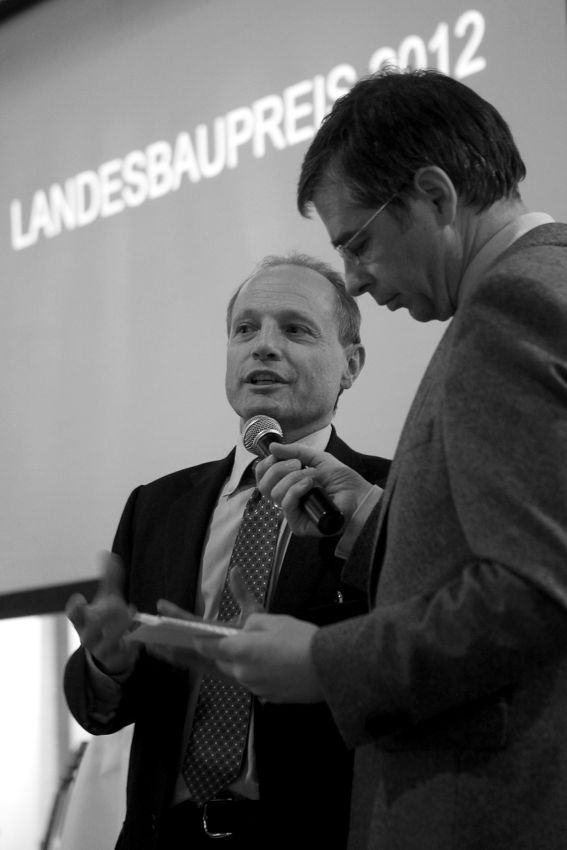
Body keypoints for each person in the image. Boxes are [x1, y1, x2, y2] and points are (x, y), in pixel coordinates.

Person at [194, 69, 567, 850]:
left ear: (433, 195)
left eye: (357, 242)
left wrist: (323, 662)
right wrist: (371, 523)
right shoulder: (543, 280)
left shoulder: (509, 306)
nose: (356, 278)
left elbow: (535, 591)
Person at [63, 251, 390, 850]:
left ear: (351, 365)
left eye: (295, 329)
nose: (263, 346)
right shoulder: (156, 506)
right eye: (245, 329)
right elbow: (103, 711)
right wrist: (108, 665)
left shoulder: (391, 500)